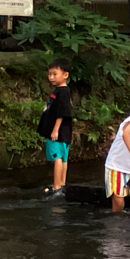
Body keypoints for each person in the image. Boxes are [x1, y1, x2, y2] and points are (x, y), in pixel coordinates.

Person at [38, 57, 73, 195]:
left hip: (58, 131)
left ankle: (57, 186)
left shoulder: (62, 91)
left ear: (65, 75)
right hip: (64, 131)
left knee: (57, 157)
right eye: (50, 74)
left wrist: (55, 130)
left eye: (55, 74)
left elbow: (62, 112)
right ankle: (62, 184)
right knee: (63, 157)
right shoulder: (61, 90)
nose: (51, 77)